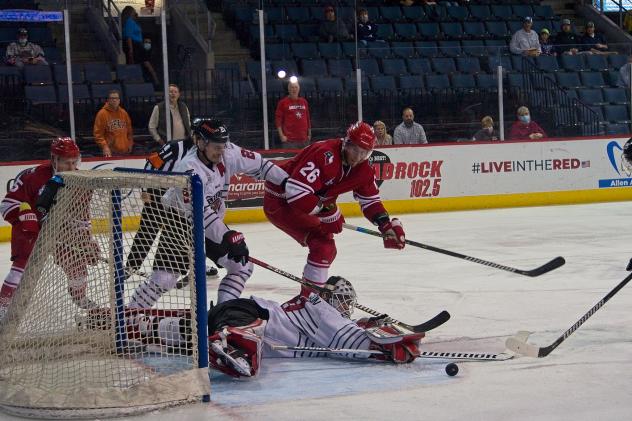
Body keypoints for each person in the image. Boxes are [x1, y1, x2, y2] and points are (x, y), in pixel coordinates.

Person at [83, 276, 424, 378]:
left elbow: (343, 331)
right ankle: (228, 342)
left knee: (175, 333)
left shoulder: (318, 311)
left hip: (233, 314)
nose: (345, 310)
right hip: (247, 315)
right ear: (336, 299)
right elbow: (347, 339)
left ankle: (117, 322)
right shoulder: (319, 306)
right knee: (249, 344)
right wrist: (383, 348)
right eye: (345, 303)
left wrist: (370, 327)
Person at [127, 118, 288, 307]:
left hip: (210, 222)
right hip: (179, 220)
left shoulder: (228, 152)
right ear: (200, 142)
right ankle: (131, 315)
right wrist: (227, 235)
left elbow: (261, 165)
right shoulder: (188, 168)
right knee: (165, 278)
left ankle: (223, 314)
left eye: (223, 145)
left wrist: (287, 182)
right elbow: (200, 211)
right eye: (216, 146)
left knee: (241, 266)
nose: (221, 151)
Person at [263, 121, 406, 293]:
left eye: (364, 153)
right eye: (355, 150)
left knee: (326, 248)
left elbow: (371, 201)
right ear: (347, 143)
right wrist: (328, 212)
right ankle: (309, 301)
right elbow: (296, 193)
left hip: (307, 203)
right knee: (323, 245)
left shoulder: (363, 170)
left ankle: (311, 297)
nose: (358, 157)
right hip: (280, 201)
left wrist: (385, 225)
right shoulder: (325, 153)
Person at [0, 138, 96, 320]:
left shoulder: (82, 183)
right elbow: (7, 205)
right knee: (19, 272)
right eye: (66, 162)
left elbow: (82, 219)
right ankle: (2, 308)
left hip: (62, 233)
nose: (71, 166)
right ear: (54, 159)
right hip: (31, 230)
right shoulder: (32, 177)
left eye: (74, 161)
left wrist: (86, 240)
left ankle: (80, 299)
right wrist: (25, 216)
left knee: (78, 268)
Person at [125, 131, 218, 284]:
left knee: (186, 233)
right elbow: (151, 163)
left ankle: (197, 266)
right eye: (201, 139)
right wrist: (145, 189)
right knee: (148, 230)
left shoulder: (204, 154)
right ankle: (131, 266)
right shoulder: (175, 147)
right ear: (195, 137)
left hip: (181, 195)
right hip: (158, 190)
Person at [93, 90, 134, 157]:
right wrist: (104, 147)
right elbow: (98, 134)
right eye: (112, 98)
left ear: (119, 100)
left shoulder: (124, 113)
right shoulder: (102, 114)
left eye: (116, 98)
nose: (114, 100)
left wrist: (130, 143)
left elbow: (129, 131)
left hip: (125, 152)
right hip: (111, 152)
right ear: (108, 100)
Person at [274, 80, 311, 149]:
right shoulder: (283, 102)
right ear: (289, 89)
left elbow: (307, 118)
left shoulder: (304, 101)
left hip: (304, 140)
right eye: (292, 87)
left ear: (299, 89)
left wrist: (309, 134)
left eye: (296, 87)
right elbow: (278, 120)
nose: (294, 89)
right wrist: (281, 136)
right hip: (290, 141)